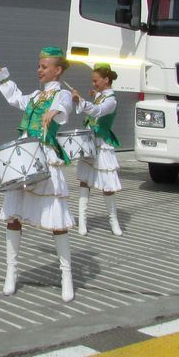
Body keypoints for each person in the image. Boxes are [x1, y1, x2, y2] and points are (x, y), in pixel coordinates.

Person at [0, 47, 76, 302]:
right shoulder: (35, 96)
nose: (39, 70)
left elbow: (65, 104)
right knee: (13, 217)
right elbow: (15, 98)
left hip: (45, 157)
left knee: (57, 221)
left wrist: (54, 112)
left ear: (58, 70)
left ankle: (66, 276)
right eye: (39, 66)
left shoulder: (61, 93)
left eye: (44, 66)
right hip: (23, 158)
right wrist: (1, 73)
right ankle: (11, 273)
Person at [72, 63, 123, 236]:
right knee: (85, 181)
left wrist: (82, 100)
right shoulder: (101, 96)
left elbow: (98, 111)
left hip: (102, 143)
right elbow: (96, 102)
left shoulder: (111, 101)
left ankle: (113, 220)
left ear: (106, 79)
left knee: (108, 184)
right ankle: (82, 222)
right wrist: (94, 95)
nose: (93, 84)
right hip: (90, 141)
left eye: (96, 81)